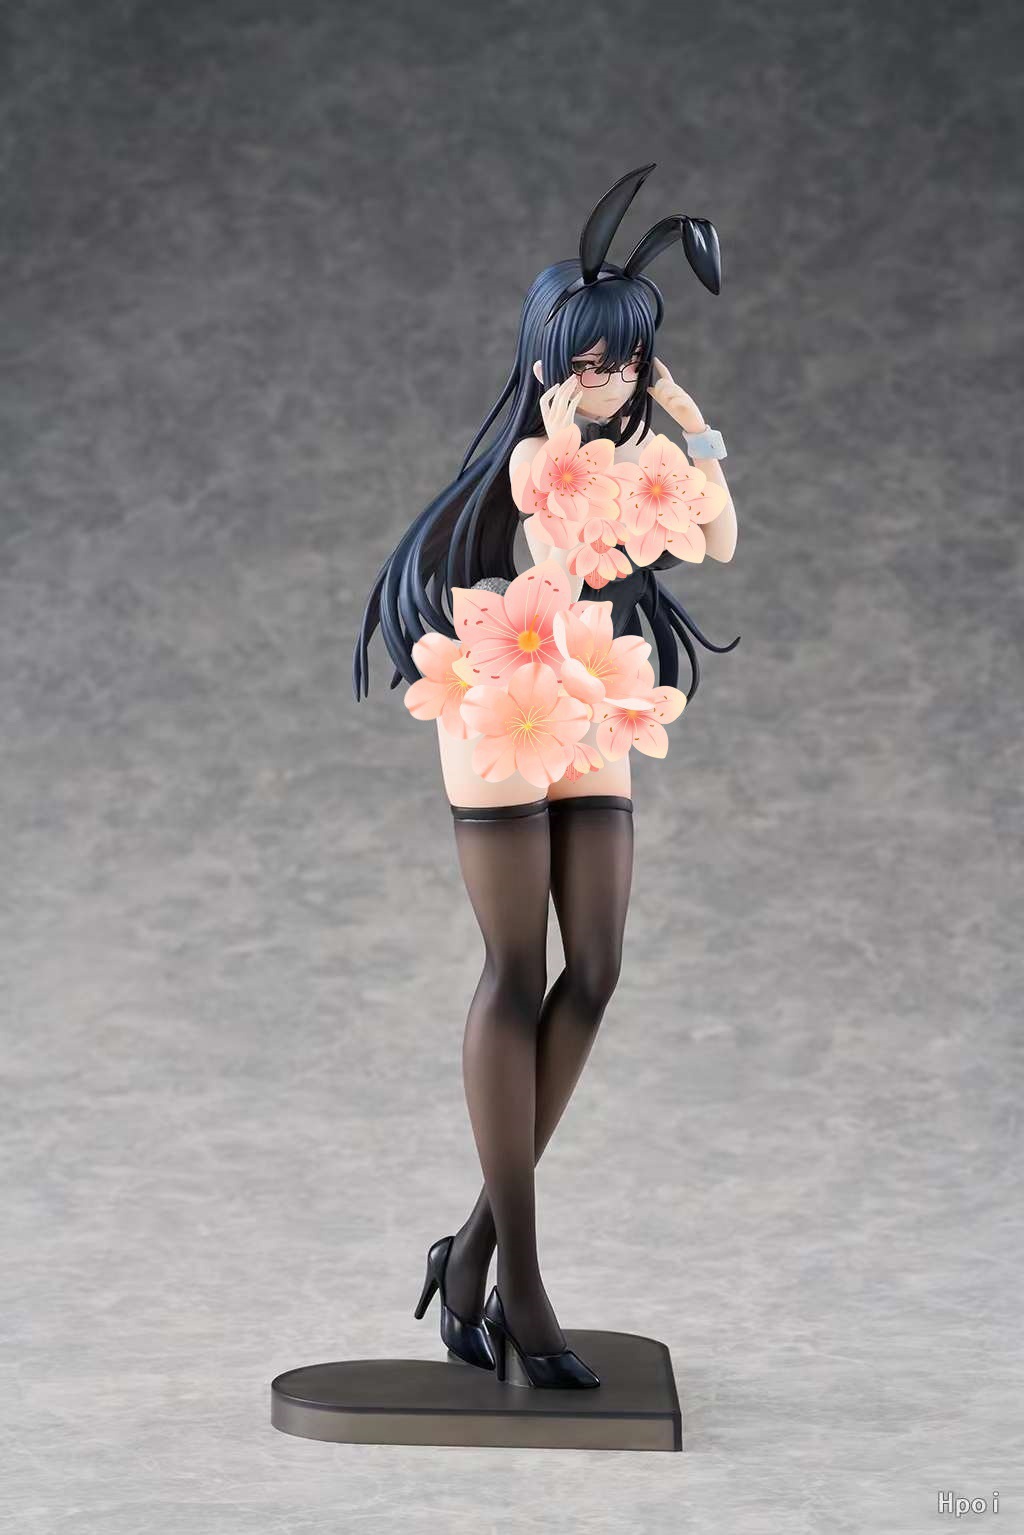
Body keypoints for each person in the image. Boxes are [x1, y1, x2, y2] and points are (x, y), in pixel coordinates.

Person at [354, 165, 739, 1388]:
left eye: (627, 358)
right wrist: (567, 437)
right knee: (517, 970)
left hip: (596, 697)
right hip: (503, 692)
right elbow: (548, 557)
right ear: (544, 362)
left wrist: (689, 417)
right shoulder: (535, 464)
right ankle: (519, 1277)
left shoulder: (635, 453)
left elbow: (717, 536)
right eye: (589, 360)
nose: (610, 377)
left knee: (599, 967)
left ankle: (467, 1247)